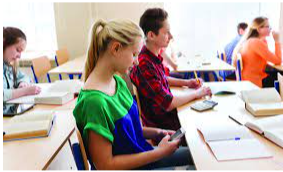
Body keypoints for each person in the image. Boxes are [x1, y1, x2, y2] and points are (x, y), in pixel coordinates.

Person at [73, 19, 194, 170]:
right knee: (196, 164)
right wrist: (160, 153)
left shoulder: (117, 81)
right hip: (135, 166)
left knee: (194, 155)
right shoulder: (94, 102)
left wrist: (157, 132)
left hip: (142, 156)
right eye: (135, 54)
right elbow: (105, 165)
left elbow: (127, 131)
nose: (137, 62)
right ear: (116, 48)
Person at [130, 8, 212, 134]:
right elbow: (168, 103)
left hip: (168, 119)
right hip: (165, 127)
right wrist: (198, 93)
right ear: (151, 35)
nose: (171, 36)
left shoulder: (151, 57)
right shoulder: (144, 63)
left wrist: (187, 83)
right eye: (166, 32)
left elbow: (161, 78)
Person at [232, 17, 283, 88]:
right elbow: (277, 61)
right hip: (254, 82)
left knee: (278, 74)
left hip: (248, 79)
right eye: (267, 26)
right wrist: (277, 41)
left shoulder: (250, 41)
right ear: (259, 29)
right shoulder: (256, 42)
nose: (270, 29)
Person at [3, 27, 41, 107]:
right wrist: (24, 91)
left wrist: (22, 83)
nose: (19, 56)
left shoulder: (8, 66)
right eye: (17, 50)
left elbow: (24, 76)